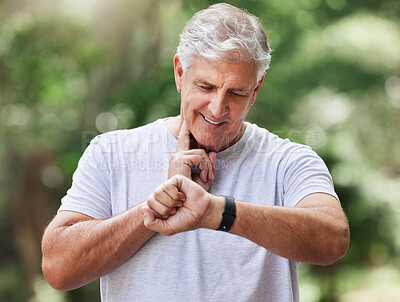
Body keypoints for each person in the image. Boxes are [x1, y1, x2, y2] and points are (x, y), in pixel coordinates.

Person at [42, 3, 349, 301]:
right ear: (179, 73)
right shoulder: (110, 153)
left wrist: (217, 212)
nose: (217, 109)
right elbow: (58, 268)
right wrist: (154, 208)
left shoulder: (290, 161)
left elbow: (333, 239)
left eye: (237, 93)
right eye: (205, 86)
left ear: (256, 89)